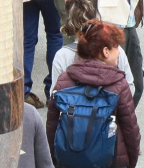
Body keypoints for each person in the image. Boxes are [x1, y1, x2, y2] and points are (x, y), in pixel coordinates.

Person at [48, 22, 139, 168]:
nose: (119, 52)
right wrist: (130, 163)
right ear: (105, 51)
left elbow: (52, 127)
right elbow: (131, 132)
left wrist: (56, 161)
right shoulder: (119, 86)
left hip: (69, 162)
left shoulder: (63, 82)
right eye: (115, 47)